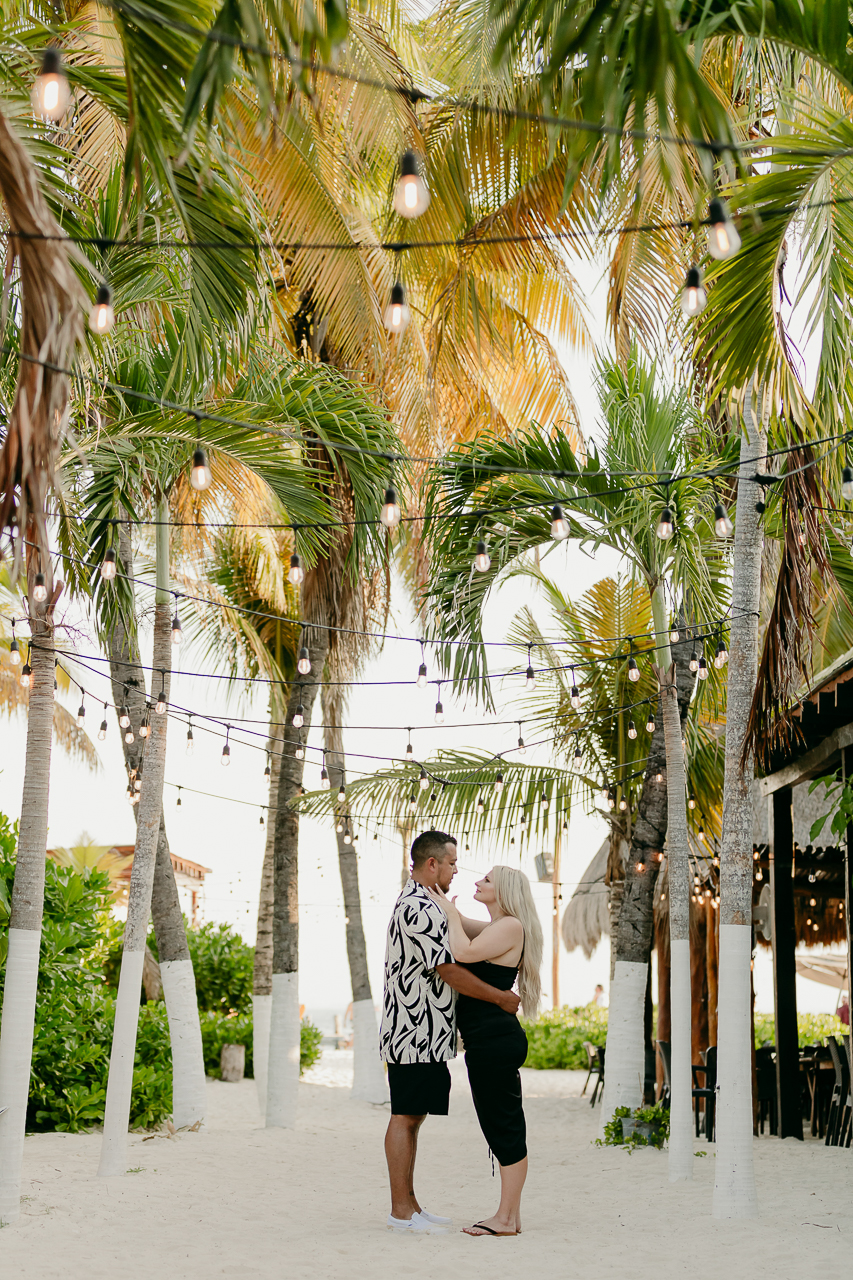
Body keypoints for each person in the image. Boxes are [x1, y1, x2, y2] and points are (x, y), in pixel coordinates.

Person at [380, 832, 522, 1233]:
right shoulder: (419, 907)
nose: (458, 870)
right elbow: (449, 968)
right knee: (405, 1116)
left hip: (425, 1031)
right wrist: (500, 998)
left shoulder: (427, 902)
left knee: (414, 1116)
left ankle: (410, 1205)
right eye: (452, 863)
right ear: (432, 865)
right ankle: (400, 1212)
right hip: (413, 1029)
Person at [428, 865, 543, 1237]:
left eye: (487, 880)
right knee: (500, 1125)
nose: (477, 881)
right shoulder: (498, 926)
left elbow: (462, 948)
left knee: (505, 1127)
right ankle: (511, 1215)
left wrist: (448, 914)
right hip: (487, 1041)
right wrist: (444, 904)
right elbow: (461, 922)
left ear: (504, 890)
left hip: (495, 1041)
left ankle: (506, 1219)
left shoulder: (510, 926)